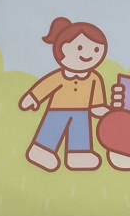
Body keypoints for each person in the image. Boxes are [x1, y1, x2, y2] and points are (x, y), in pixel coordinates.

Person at [19, 17, 110, 172]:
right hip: (57, 111)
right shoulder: (59, 76)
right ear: (64, 48)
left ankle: (79, 154)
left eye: (96, 50)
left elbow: (97, 99)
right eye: (79, 47)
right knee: (52, 130)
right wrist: (33, 98)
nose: (88, 54)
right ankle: (42, 150)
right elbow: (45, 87)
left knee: (80, 133)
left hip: (82, 113)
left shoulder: (94, 78)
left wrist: (100, 109)